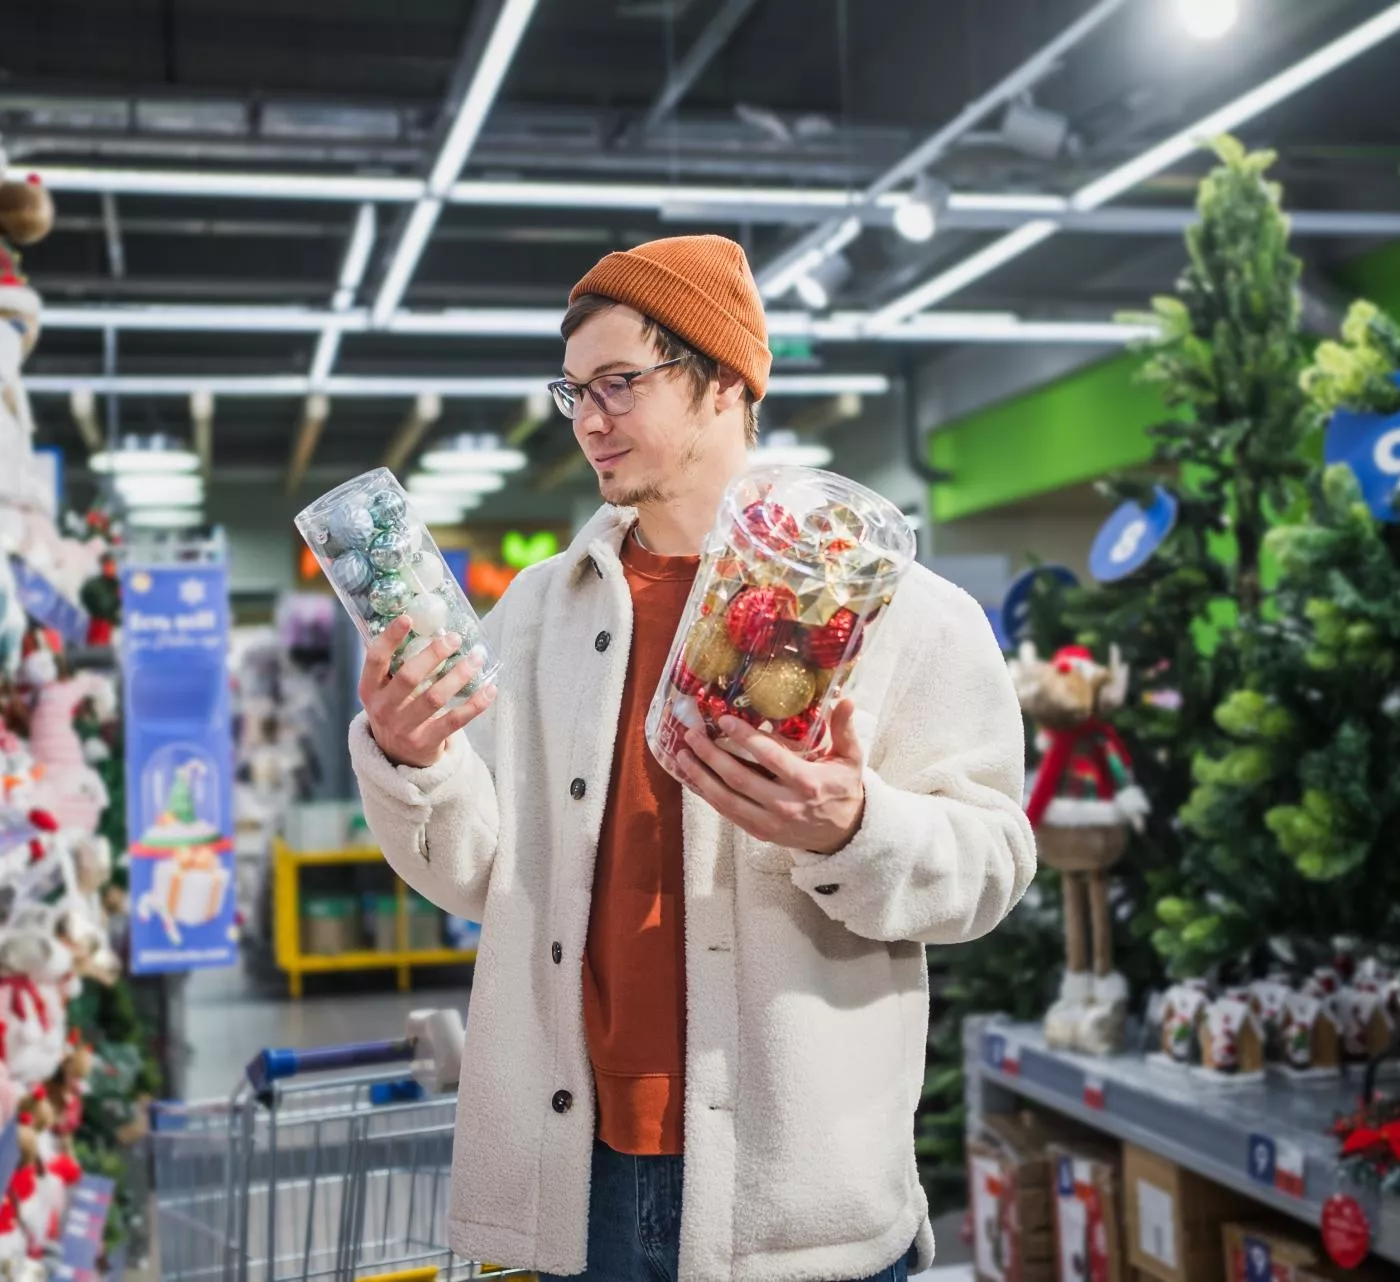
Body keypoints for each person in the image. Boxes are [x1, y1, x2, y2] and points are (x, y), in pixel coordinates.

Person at [348, 234, 1035, 1282]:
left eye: (619, 383)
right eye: (572, 389)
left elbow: (992, 865)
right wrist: (413, 759)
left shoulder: (896, 609)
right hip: (578, 1174)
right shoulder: (535, 614)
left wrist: (852, 826)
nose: (586, 419)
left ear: (723, 382)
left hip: (797, 1201)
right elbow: (482, 872)